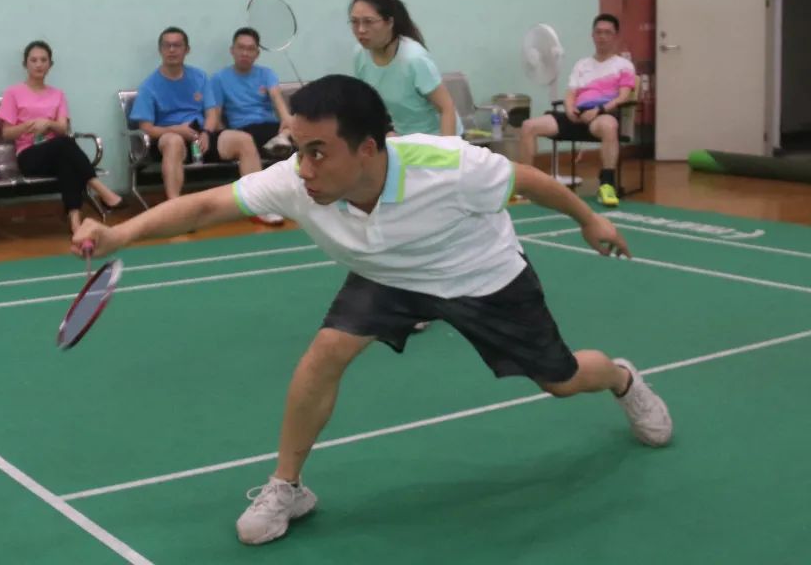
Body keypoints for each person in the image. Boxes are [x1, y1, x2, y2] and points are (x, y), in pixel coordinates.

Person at [72, 75, 673, 546]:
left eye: (319, 152)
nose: (305, 168)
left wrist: (589, 219)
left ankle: (621, 379)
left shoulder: (448, 165)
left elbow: (530, 180)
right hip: (390, 275)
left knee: (560, 380)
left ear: (367, 148)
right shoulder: (296, 179)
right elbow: (205, 208)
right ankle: (287, 487)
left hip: (481, 275)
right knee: (325, 353)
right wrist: (120, 234)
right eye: (299, 150)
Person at [130, 27, 283, 225]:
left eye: (177, 45)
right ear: (160, 50)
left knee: (243, 139)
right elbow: (146, 128)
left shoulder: (199, 77)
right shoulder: (149, 86)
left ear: (187, 50)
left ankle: (258, 205)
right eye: (167, 46)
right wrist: (176, 130)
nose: (172, 50)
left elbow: (211, 113)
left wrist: (207, 132)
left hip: (201, 135)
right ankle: (175, 211)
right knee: (173, 141)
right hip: (168, 136)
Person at [0, 41, 125, 234]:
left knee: (67, 161)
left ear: (50, 64)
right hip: (29, 155)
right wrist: (30, 125)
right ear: (25, 64)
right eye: (33, 60)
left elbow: (63, 128)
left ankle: (75, 221)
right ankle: (99, 188)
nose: (39, 64)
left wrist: (48, 124)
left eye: (43, 60)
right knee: (64, 144)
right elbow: (6, 133)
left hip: (57, 152)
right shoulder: (13, 93)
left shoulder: (58, 94)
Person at [518, 14, 635, 207]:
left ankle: (607, 184)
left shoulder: (624, 66)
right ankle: (526, 184)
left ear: (615, 36)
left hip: (601, 116)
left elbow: (623, 97)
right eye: (598, 32)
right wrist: (569, 109)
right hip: (576, 114)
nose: (602, 37)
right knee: (528, 126)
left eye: (607, 33)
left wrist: (599, 110)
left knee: (609, 126)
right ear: (592, 35)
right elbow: (571, 93)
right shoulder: (582, 64)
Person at [350, 0, 462, 137]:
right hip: (404, 140)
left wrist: (447, 148)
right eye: (354, 22)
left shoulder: (414, 59)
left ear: (390, 22)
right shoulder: (360, 54)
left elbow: (446, 108)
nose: (361, 30)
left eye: (368, 22)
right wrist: (386, 131)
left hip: (437, 138)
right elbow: (368, 103)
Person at [210, 27, 292, 154]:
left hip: (270, 126)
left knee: (301, 129)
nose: (245, 53)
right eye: (241, 48)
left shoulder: (267, 74)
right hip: (243, 129)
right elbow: (215, 117)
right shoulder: (219, 78)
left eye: (250, 49)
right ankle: (279, 142)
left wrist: (287, 120)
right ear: (232, 50)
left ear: (257, 53)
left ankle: (282, 139)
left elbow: (277, 98)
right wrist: (225, 135)